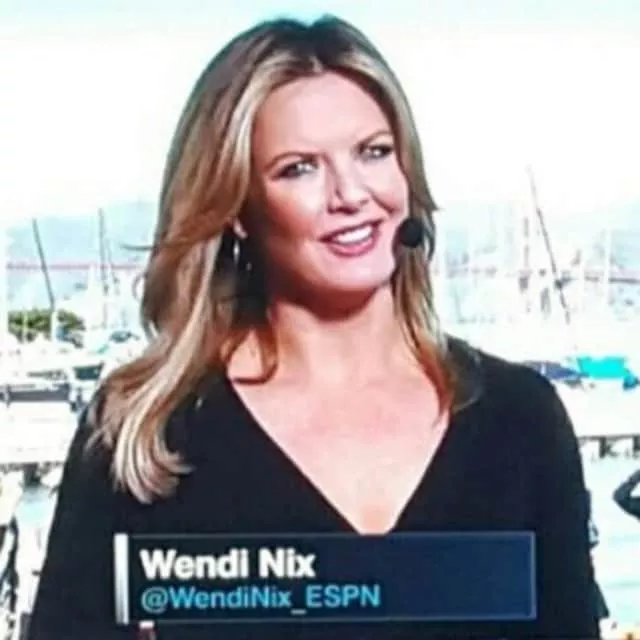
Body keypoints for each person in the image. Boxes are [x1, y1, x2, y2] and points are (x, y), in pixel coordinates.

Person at [28, 14, 599, 640]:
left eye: (374, 152)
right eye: (299, 167)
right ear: (237, 207)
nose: (351, 194)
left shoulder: (521, 419)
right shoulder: (146, 433)